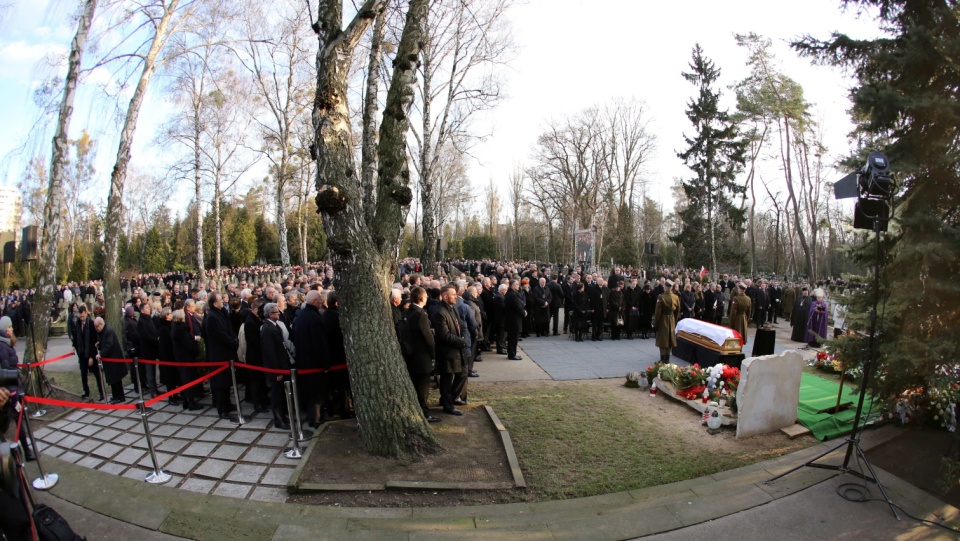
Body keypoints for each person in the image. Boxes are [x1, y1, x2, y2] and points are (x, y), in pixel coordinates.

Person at [400, 287, 439, 423]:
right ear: (422, 298)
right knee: (422, 388)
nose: (427, 299)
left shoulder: (406, 312)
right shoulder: (420, 314)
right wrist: (434, 355)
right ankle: (424, 413)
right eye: (426, 297)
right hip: (422, 357)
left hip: (410, 355)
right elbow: (428, 338)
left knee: (416, 386)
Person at [291, 290, 326, 427]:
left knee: (310, 391)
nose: (321, 303)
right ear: (314, 302)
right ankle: (315, 419)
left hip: (303, 359)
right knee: (315, 392)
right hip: (313, 362)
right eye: (319, 301)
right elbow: (319, 343)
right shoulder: (314, 318)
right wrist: (325, 364)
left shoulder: (302, 315)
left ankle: (313, 417)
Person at [432, 284, 468, 415]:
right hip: (447, 352)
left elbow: (460, 324)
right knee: (447, 379)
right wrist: (462, 341)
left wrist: (462, 338)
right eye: (453, 294)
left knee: (463, 372)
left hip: (457, 349)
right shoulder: (439, 312)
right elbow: (444, 335)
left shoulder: (452, 308)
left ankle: (450, 399)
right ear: (445, 296)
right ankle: (448, 405)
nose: (456, 296)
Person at [260, 303, 291, 430]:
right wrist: (277, 371)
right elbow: (270, 352)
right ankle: (278, 419)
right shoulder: (267, 329)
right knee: (277, 395)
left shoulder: (274, 326)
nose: (279, 314)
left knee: (281, 394)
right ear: (269, 314)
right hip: (276, 368)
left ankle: (282, 415)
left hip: (282, 365)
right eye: (276, 312)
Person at [170, 310, 202, 411]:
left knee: (184, 380)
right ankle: (191, 402)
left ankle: (186, 401)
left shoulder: (176, 329)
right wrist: (196, 350)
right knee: (189, 380)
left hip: (181, 358)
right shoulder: (182, 330)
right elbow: (188, 344)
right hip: (187, 358)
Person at [72, 305, 104, 401]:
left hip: (90, 353)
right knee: (83, 373)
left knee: (97, 374)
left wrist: (91, 356)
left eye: (83, 316)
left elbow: (93, 341)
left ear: (86, 313)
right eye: (80, 316)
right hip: (82, 353)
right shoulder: (77, 324)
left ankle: (101, 392)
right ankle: (86, 391)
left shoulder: (91, 324)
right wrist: (74, 346)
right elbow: (76, 337)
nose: (82, 318)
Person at [94, 317, 128, 404]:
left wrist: (101, 354)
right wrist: (99, 344)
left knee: (116, 379)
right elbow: (104, 342)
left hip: (114, 358)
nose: (96, 329)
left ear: (101, 324)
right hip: (110, 360)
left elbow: (110, 345)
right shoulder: (103, 331)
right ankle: (115, 395)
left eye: (97, 327)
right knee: (112, 379)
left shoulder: (108, 330)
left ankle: (120, 396)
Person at [653, 279, 680, 363]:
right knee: (669, 340)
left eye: (665, 286)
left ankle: (662, 359)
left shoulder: (661, 297)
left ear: (667, 288)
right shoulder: (676, 297)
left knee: (662, 341)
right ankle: (667, 359)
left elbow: (657, 312)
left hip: (663, 319)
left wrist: (655, 323)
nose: (664, 287)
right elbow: (677, 311)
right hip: (671, 319)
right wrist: (674, 321)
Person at [503, 279, 525, 360]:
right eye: (517, 284)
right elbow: (517, 306)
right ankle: (512, 354)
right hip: (513, 320)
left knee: (513, 338)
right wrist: (523, 312)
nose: (518, 286)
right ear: (512, 285)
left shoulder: (512, 293)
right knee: (513, 338)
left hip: (512, 319)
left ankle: (512, 353)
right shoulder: (512, 295)